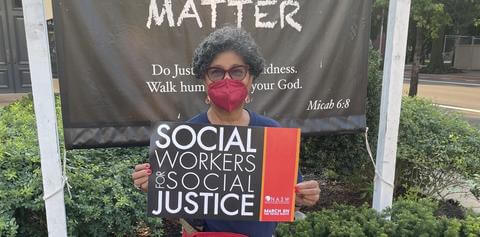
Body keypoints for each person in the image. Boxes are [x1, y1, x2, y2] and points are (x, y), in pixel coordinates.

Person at [132, 25, 320, 237]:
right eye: (216, 72)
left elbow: (287, 201)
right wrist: (154, 186)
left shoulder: (271, 132)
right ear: (204, 79)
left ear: (251, 78)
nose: (227, 80)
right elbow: (177, 208)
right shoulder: (183, 136)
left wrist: (303, 197)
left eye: (237, 71)